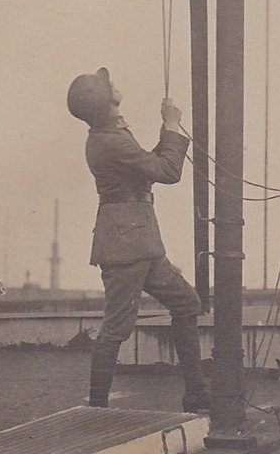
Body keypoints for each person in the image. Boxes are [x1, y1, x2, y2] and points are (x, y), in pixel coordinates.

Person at [67, 68, 210, 412]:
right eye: (107, 85)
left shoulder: (110, 135)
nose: (114, 84)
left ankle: (196, 394)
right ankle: (96, 408)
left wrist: (169, 130)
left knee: (187, 303)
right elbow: (167, 172)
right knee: (117, 327)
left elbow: (151, 164)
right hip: (127, 246)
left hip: (138, 242)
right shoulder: (110, 140)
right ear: (104, 100)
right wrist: (172, 126)